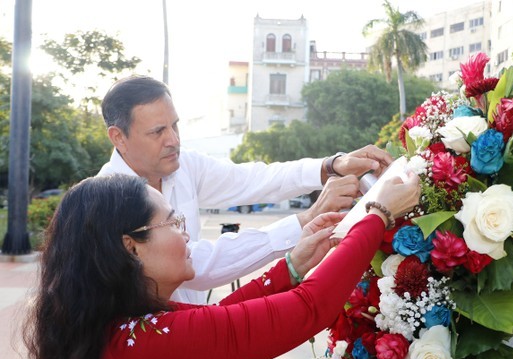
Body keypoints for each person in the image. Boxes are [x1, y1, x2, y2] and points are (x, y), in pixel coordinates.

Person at [24, 173, 420, 359]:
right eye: (173, 223)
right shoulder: (148, 343)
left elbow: (216, 320)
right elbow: (309, 308)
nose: (185, 237)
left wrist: (293, 265)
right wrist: (378, 213)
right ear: (132, 247)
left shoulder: (126, 329)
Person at [97, 75, 394, 304]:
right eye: (158, 132)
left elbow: (255, 179)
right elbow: (197, 265)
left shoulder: (182, 165)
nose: (174, 139)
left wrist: (332, 165)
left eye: (175, 125)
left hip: (194, 328)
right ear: (118, 137)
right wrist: (305, 220)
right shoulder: (109, 202)